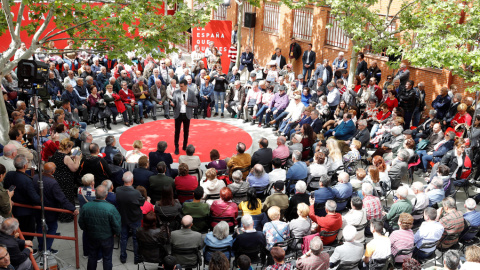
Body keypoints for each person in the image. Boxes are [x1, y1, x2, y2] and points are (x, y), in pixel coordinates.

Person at [33, 162, 79, 253]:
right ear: (53, 171)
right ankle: (46, 248)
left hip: (38, 208)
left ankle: (41, 246)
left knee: (39, 227)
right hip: (50, 210)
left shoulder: (35, 177)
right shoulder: (52, 182)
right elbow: (62, 198)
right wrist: (73, 208)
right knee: (52, 228)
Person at [78, 185, 121, 270]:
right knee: (107, 258)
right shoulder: (111, 208)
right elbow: (117, 224)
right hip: (107, 238)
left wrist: (87, 230)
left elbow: (81, 223)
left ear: (95, 194)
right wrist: (116, 233)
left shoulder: (86, 207)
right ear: (106, 195)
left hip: (91, 236)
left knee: (92, 257)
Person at [3, 155, 40, 239]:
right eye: (27, 162)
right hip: (26, 211)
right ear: (25, 166)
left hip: (14, 208)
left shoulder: (9, 174)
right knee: (27, 232)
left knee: (18, 231)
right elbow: (34, 198)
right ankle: (27, 249)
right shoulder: (26, 180)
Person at [116, 171, 146, 264]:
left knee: (123, 237)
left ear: (122, 179)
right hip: (134, 218)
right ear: (132, 180)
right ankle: (136, 258)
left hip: (123, 217)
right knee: (135, 238)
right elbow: (142, 202)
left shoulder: (118, 190)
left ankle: (123, 256)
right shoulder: (136, 193)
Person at [171, 79, 198, 155]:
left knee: (186, 131)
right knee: (177, 132)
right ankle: (176, 147)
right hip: (178, 115)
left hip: (187, 115)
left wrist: (188, 103)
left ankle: (184, 146)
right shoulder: (176, 92)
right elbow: (174, 102)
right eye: (179, 86)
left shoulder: (191, 93)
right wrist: (172, 104)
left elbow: (196, 104)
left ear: (186, 86)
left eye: (182, 86)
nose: (180, 88)